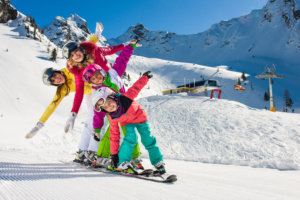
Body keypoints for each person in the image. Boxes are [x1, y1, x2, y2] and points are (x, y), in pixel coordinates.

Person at [82, 40, 144, 169]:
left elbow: (122, 59)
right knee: (111, 135)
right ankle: (102, 158)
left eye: (97, 76)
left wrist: (130, 46)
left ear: (101, 72)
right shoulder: (100, 92)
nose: (97, 79)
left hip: (126, 109)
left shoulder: (114, 73)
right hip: (114, 114)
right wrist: (97, 130)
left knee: (130, 133)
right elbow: (98, 113)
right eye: (93, 80)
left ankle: (134, 158)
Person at [92, 71, 166, 175]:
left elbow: (136, 88)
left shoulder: (125, 99)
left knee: (148, 139)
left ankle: (158, 161)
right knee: (130, 139)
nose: (109, 106)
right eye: (106, 107)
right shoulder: (112, 117)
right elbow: (114, 136)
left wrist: (145, 77)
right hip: (127, 123)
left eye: (109, 102)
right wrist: (114, 155)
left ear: (113, 97)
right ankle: (123, 162)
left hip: (140, 118)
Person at [62, 35, 134, 134]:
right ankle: (103, 136)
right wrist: (73, 114)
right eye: (72, 55)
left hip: (111, 79)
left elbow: (110, 50)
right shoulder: (78, 70)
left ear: (81, 49)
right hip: (99, 88)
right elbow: (79, 93)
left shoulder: (95, 51)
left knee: (121, 106)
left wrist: (126, 45)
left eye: (76, 51)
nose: (76, 55)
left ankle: (125, 125)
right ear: (71, 60)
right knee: (103, 113)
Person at [25, 67, 99, 162]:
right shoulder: (63, 88)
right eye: (53, 81)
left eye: (55, 75)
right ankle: (83, 151)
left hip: (98, 84)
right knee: (92, 119)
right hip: (91, 93)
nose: (57, 79)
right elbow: (52, 106)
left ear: (57, 71)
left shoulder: (71, 70)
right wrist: (39, 124)